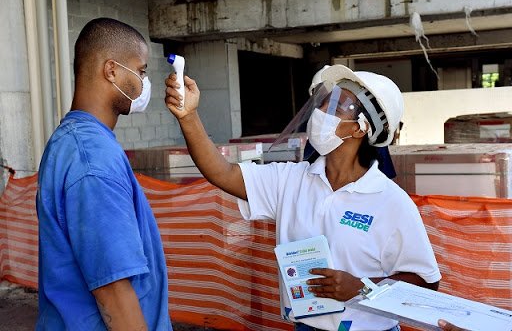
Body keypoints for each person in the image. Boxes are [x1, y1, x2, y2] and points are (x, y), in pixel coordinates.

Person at [164, 64, 441, 331]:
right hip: (305, 326)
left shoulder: (390, 201)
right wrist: (188, 117)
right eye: (323, 103)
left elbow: (426, 282)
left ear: (361, 127)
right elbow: (222, 173)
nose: (321, 112)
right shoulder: (291, 180)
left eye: (335, 107)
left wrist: (364, 287)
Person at [36, 18, 172, 331]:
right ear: (111, 70)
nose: (143, 83)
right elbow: (112, 289)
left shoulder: (74, 141)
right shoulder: (91, 158)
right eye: (140, 71)